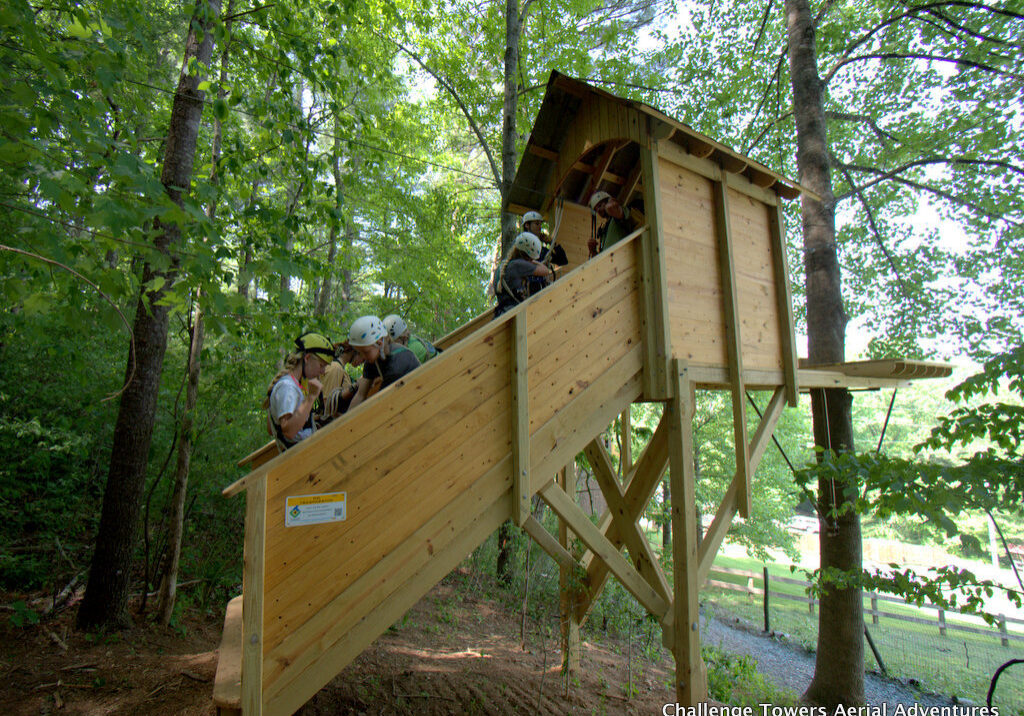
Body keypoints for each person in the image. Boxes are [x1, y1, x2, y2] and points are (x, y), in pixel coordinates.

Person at [263, 331, 334, 450]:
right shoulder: (287, 387)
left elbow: (271, 428)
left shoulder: (294, 385)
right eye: (321, 365)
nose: (322, 372)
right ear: (307, 358)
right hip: (300, 456)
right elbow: (289, 432)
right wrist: (311, 397)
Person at [347, 315, 420, 410]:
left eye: (365, 352)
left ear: (379, 343)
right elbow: (360, 395)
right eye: (359, 353)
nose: (363, 357)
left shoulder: (398, 363)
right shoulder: (373, 360)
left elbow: (381, 405)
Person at [493, 231, 552, 318]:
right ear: (528, 255)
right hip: (514, 313)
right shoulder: (519, 264)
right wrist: (533, 261)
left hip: (502, 312)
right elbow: (545, 271)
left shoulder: (503, 266)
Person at [522, 210, 568, 295]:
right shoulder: (519, 249)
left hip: (542, 289)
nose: (540, 227)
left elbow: (563, 261)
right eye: (537, 224)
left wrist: (553, 243)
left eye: (540, 224)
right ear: (527, 225)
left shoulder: (542, 251)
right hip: (526, 291)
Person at [315, 341, 359, 424]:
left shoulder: (340, 369)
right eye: (362, 355)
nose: (361, 362)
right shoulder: (335, 368)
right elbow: (328, 406)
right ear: (355, 351)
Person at [588, 191, 638, 257]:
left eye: (600, 206)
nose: (598, 210)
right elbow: (602, 259)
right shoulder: (603, 229)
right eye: (596, 209)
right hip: (610, 264)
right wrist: (593, 251)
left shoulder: (618, 217)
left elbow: (615, 210)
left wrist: (612, 204)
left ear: (608, 201)